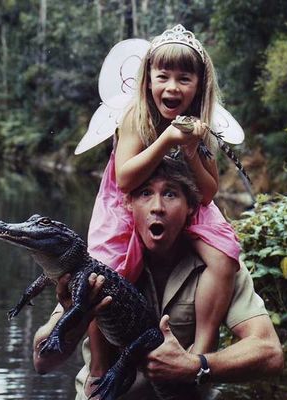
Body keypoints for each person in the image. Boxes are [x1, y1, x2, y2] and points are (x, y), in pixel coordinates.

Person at [33, 161, 287, 400]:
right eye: (145, 193)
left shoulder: (220, 266)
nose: (157, 206)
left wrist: (198, 365)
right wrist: (73, 311)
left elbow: (269, 353)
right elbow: (42, 361)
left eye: (170, 194)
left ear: (191, 207)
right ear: (128, 205)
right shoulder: (102, 264)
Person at [88, 24, 239, 360]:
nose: (172, 87)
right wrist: (167, 139)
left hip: (183, 197)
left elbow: (209, 192)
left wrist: (190, 152)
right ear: (149, 80)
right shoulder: (135, 118)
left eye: (184, 79)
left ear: (199, 85)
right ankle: (98, 362)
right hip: (129, 200)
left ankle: (201, 348)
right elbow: (125, 179)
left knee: (224, 256)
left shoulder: (202, 122)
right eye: (163, 76)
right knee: (103, 270)